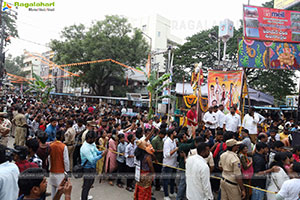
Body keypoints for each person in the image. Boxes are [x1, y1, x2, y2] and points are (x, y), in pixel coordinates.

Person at [80, 130, 107, 200]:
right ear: (89, 138)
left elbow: (96, 151)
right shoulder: (85, 148)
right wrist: (102, 155)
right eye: (94, 139)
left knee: (91, 183)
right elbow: (92, 160)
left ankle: (86, 196)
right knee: (86, 185)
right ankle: (83, 198)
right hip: (87, 168)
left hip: (92, 167)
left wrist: (101, 152)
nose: (95, 140)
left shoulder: (92, 143)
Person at [49, 130, 70, 200]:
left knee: (53, 192)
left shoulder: (51, 145)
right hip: (60, 172)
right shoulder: (63, 146)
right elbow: (66, 160)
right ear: (62, 137)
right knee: (59, 192)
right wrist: (67, 170)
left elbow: (49, 158)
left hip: (52, 171)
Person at [176, 129, 196, 200]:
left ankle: (182, 197)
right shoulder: (182, 146)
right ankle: (178, 198)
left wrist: (193, 135)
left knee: (185, 183)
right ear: (181, 140)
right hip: (183, 167)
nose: (186, 138)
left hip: (185, 166)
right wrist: (193, 134)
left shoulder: (183, 143)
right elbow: (192, 144)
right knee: (182, 184)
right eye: (184, 137)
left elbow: (190, 141)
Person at [162, 129, 178, 200]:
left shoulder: (174, 140)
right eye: (174, 132)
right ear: (171, 134)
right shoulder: (167, 142)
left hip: (174, 164)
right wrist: (175, 149)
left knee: (172, 179)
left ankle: (172, 192)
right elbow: (167, 154)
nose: (176, 133)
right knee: (166, 181)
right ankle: (166, 195)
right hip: (168, 165)